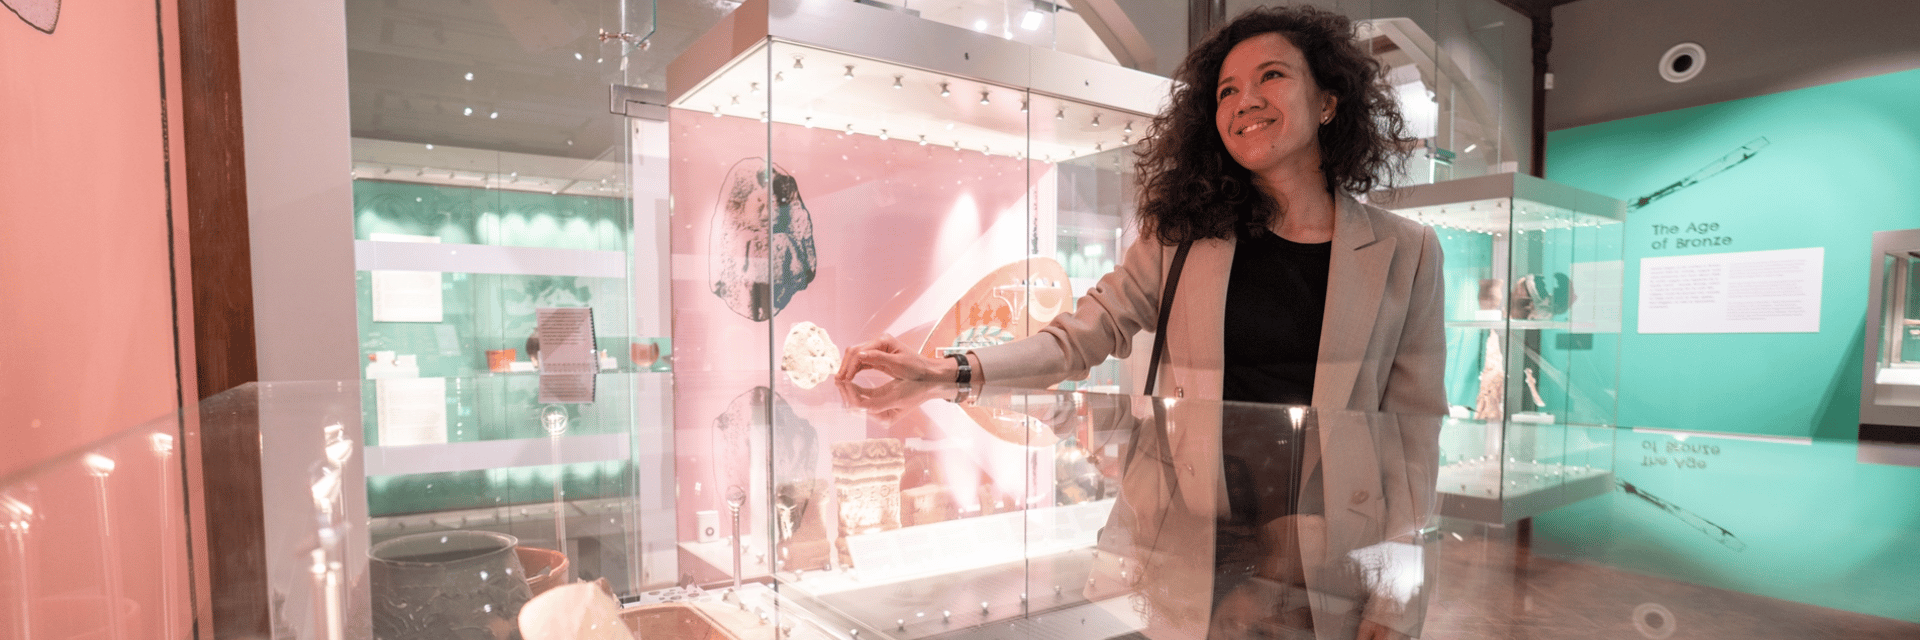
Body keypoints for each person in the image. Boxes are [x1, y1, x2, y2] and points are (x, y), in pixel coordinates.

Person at [836, 6, 1444, 639]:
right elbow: (1080, 336)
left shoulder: (1407, 253)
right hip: (1196, 548)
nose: (1245, 101)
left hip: (1331, 557)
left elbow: (1414, 438)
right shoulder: (1180, 239)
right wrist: (949, 369)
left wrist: (1396, 598)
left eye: (1271, 77)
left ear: (1327, 101)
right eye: (1226, 91)